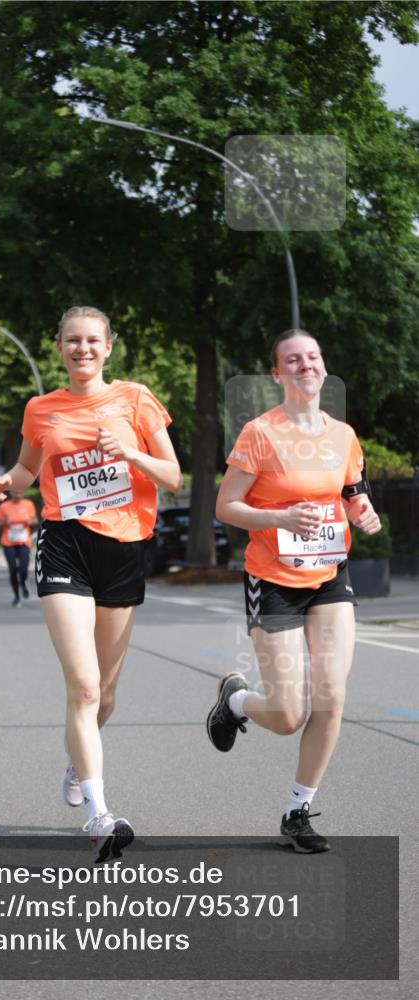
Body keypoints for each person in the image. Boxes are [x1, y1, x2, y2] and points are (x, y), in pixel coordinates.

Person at [0, 306, 182, 861]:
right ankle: (100, 815)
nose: (82, 349)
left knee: (108, 695)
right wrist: (7, 482)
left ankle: (78, 758)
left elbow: (173, 476)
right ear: (58, 347)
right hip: (64, 541)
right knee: (85, 686)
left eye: (92, 340)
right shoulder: (40, 408)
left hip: (122, 549)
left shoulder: (136, 399)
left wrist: (133, 452)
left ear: (109, 347)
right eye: (72, 341)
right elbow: (27, 469)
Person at [209, 328, 381, 853]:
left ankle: (297, 809)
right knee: (287, 716)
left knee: (331, 696)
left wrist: (363, 510)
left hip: (329, 576)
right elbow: (226, 507)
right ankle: (236, 701)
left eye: (312, 357)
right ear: (277, 374)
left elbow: (352, 489)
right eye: (293, 360)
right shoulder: (260, 434)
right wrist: (279, 515)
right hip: (274, 580)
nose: (305, 365)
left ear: (323, 367)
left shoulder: (343, 435)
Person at [0, 490, 38, 607]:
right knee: (13, 570)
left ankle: (23, 582)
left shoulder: (28, 504)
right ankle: (16, 596)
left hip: (24, 541)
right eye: (15, 493)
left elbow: (35, 520)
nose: (17, 495)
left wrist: (31, 521)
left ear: (23, 493)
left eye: (19, 493)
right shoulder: (4, 506)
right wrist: (5, 521)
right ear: (11, 494)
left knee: (23, 569)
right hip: (8, 542)